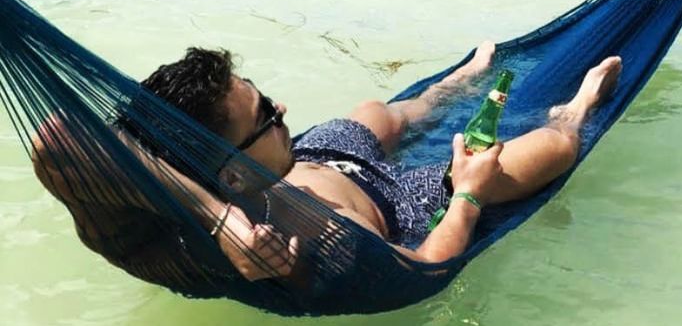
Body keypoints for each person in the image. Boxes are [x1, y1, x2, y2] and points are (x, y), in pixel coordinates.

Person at [32, 41, 622, 284]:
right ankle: (575, 108)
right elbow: (425, 267)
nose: (282, 108)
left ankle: (457, 83)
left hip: (316, 159)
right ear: (231, 174)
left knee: (381, 113)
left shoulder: (223, 178)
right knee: (544, 154)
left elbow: (67, 134)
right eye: (267, 115)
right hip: (397, 201)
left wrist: (219, 215)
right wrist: (467, 195)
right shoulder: (312, 240)